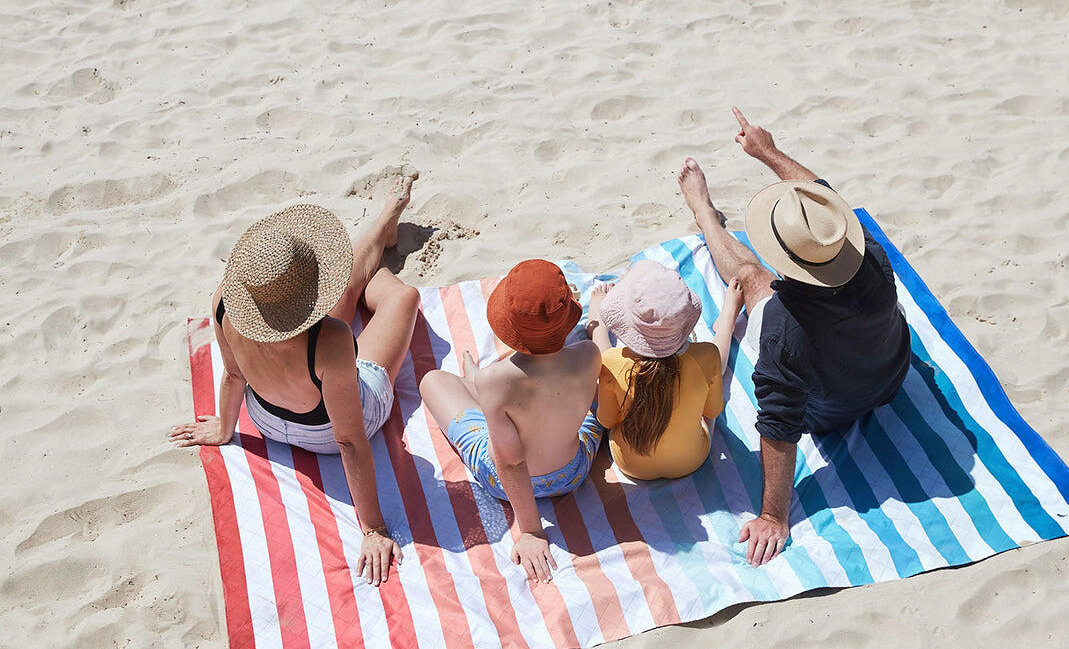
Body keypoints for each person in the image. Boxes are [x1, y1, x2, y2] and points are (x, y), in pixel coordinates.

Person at [677, 109, 911, 567]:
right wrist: (767, 152)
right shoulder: (869, 256)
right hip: (889, 375)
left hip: (833, 409)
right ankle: (711, 215)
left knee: (749, 275)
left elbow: (781, 426)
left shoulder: (785, 328)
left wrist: (772, 515)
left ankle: (706, 217)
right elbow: (825, 201)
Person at [169, 175, 421, 586]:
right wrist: (372, 528)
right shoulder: (333, 340)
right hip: (325, 432)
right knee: (402, 297)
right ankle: (374, 261)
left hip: (264, 420)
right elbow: (349, 440)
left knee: (344, 298)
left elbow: (233, 374)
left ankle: (382, 229)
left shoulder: (222, 302)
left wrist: (222, 429)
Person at [419, 259, 603, 584]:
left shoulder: (495, 381)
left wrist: (530, 530)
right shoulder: (589, 354)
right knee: (590, 409)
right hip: (574, 470)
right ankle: (494, 398)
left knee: (433, 381)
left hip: (507, 484)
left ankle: (486, 401)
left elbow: (510, 462)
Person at [588, 261, 743, 480]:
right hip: (691, 461)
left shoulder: (612, 362)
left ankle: (597, 325)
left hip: (632, 465)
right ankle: (727, 322)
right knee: (714, 363)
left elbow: (607, 421)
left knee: (605, 361)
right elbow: (711, 411)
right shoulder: (706, 356)